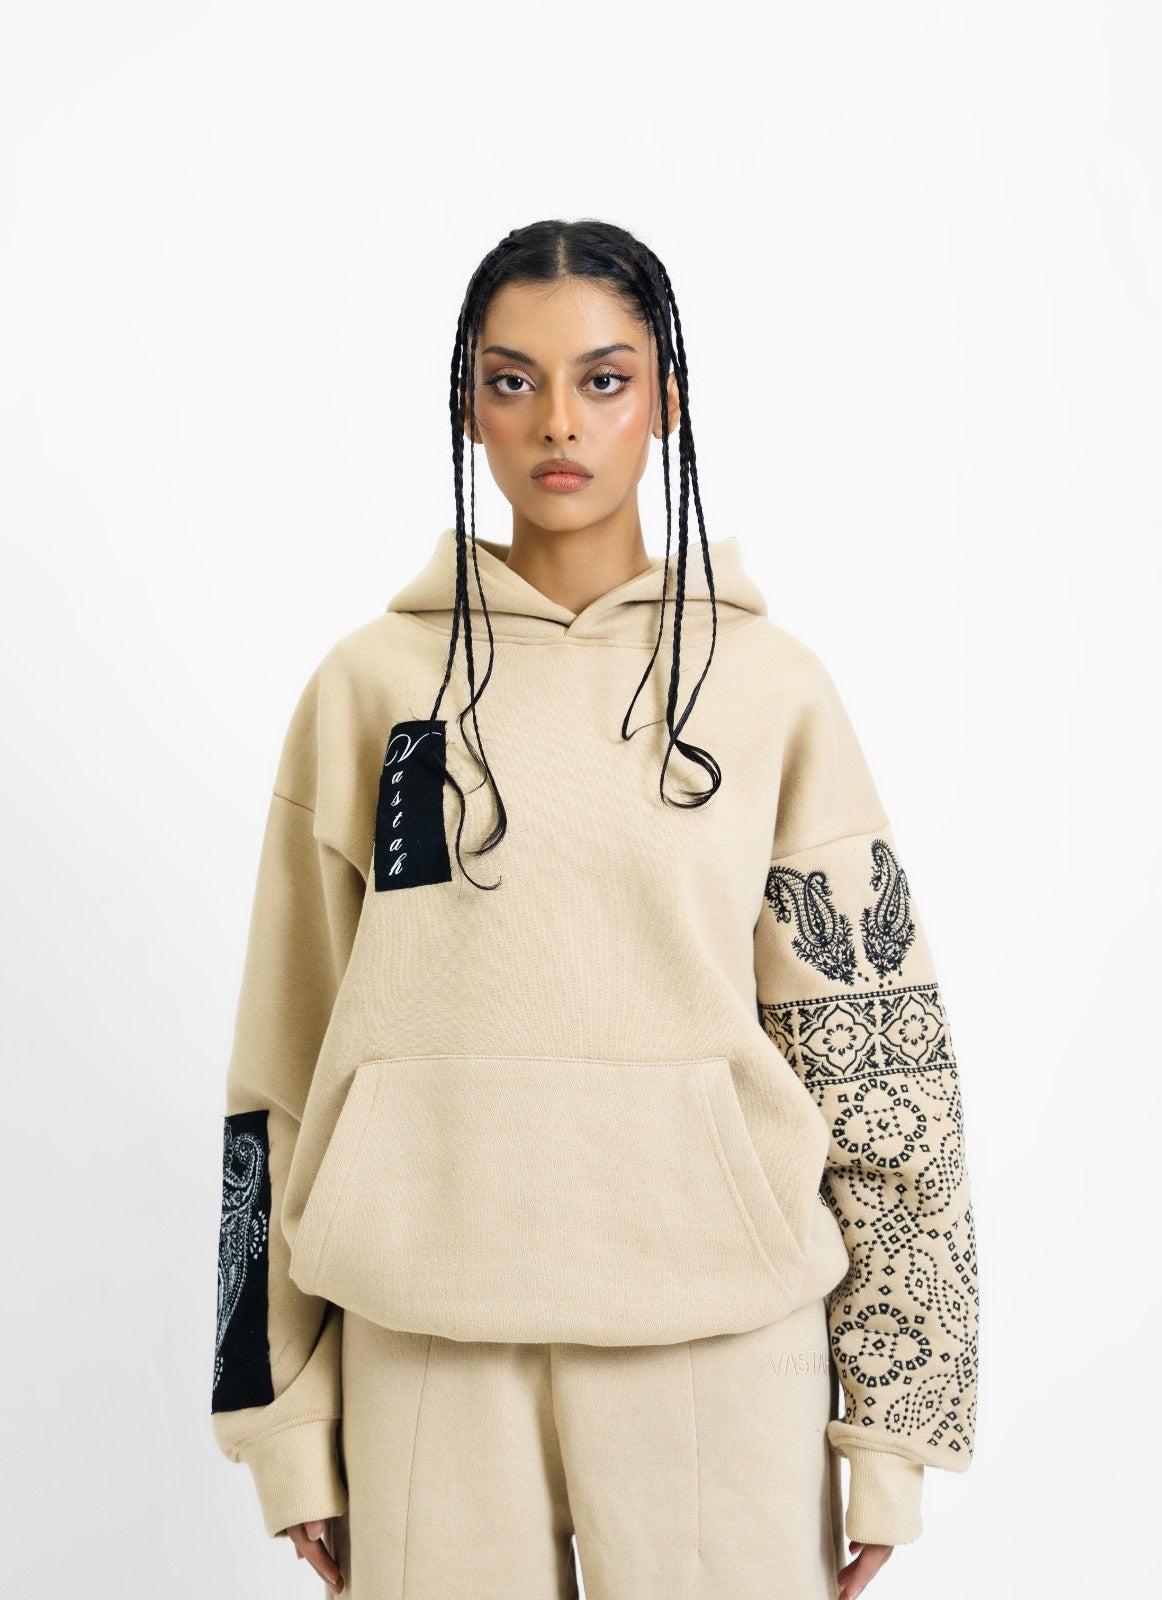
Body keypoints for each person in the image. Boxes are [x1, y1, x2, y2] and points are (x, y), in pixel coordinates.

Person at [210, 218, 979, 1600]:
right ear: (468, 405)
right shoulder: (369, 688)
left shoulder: (769, 688)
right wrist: (276, 1418)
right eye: (512, 381)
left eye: (604, 379)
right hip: (423, 1333)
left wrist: (896, 1428)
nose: (557, 422)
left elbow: (879, 1062)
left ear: (665, 401)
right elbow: (279, 1067)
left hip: (720, 1341)